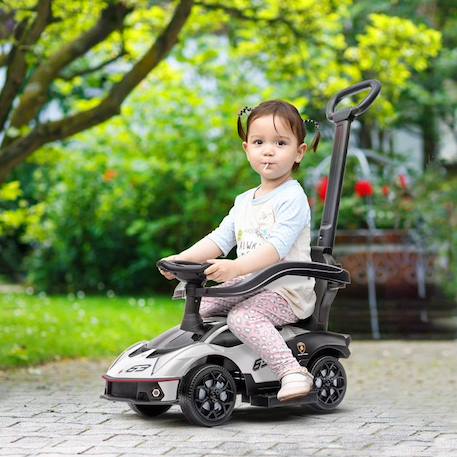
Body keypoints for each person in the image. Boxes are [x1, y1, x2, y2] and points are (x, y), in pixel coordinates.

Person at [159, 100, 320, 402]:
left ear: (299, 151)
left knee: (242, 318)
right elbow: (219, 240)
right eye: (259, 142)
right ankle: (203, 363)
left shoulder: (292, 197)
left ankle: (291, 371)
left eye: (280, 142)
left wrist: (235, 268)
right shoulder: (244, 200)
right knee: (202, 308)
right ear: (247, 149)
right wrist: (182, 258)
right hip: (250, 284)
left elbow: (275, 249)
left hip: (285, 292)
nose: (268, 150)